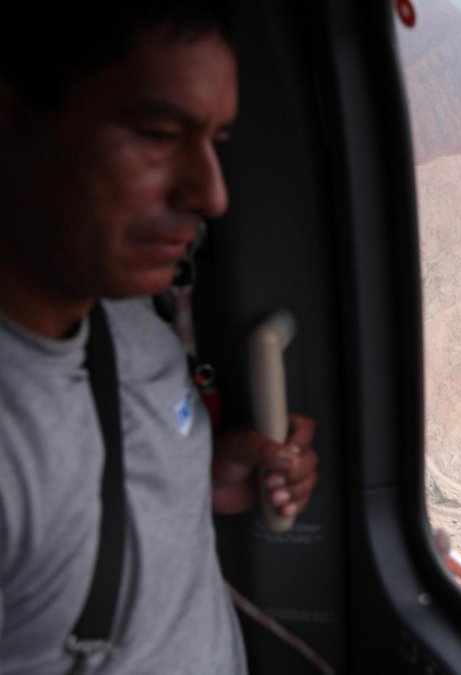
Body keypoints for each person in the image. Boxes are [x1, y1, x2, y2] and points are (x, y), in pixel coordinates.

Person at [0, 2, 319, 672]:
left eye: (215, 142)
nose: (212, 193)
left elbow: (84, 500)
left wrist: (210, 475)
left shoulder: (121, 318)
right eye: (156, 134)